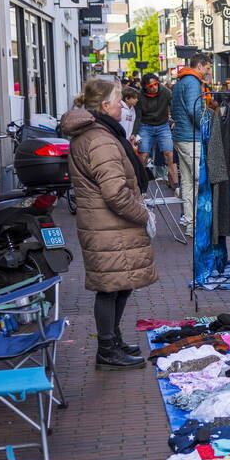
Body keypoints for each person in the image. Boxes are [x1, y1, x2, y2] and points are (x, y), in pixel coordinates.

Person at [62, 78, 157, 370]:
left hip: (106, 223)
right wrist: (143, 215)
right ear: (105, 105)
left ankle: (112, 341)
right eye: (118, 100)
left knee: (119, 283)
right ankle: (107, 349)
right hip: (108, 223)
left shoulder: (97, 133)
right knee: (110, 286)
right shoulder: (100, 138)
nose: (123, 105)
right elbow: (114, 192)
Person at [170, 53, 212, 238]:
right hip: (191, 137)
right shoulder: (193, 82)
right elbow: (194, 109)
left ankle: (191, 224)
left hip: (181, 136)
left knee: (188, 182)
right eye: (208, 68)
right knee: (200, 181)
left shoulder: (180, 82)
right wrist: (206, 127)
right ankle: (199, 225)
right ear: (201, 66)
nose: (208, 72)